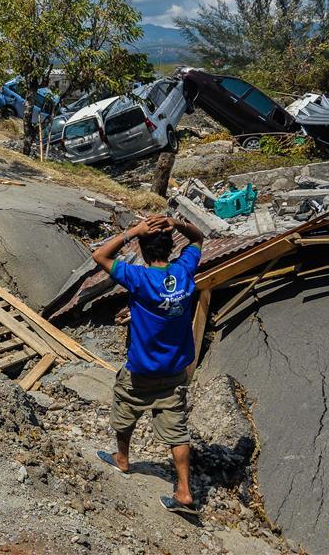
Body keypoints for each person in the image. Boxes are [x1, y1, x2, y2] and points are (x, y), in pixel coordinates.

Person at [91, 214, 205, 515]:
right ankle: (183, 491)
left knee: (125, 411)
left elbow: (99, 254)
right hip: (175, 371)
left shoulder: (138, 279)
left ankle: (123, 459)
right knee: (177, 431)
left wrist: (132, 231)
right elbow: (198, 238)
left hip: (141, 370)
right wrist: (177, 224)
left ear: (142, 249)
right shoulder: (183, 272)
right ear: (170, 247)